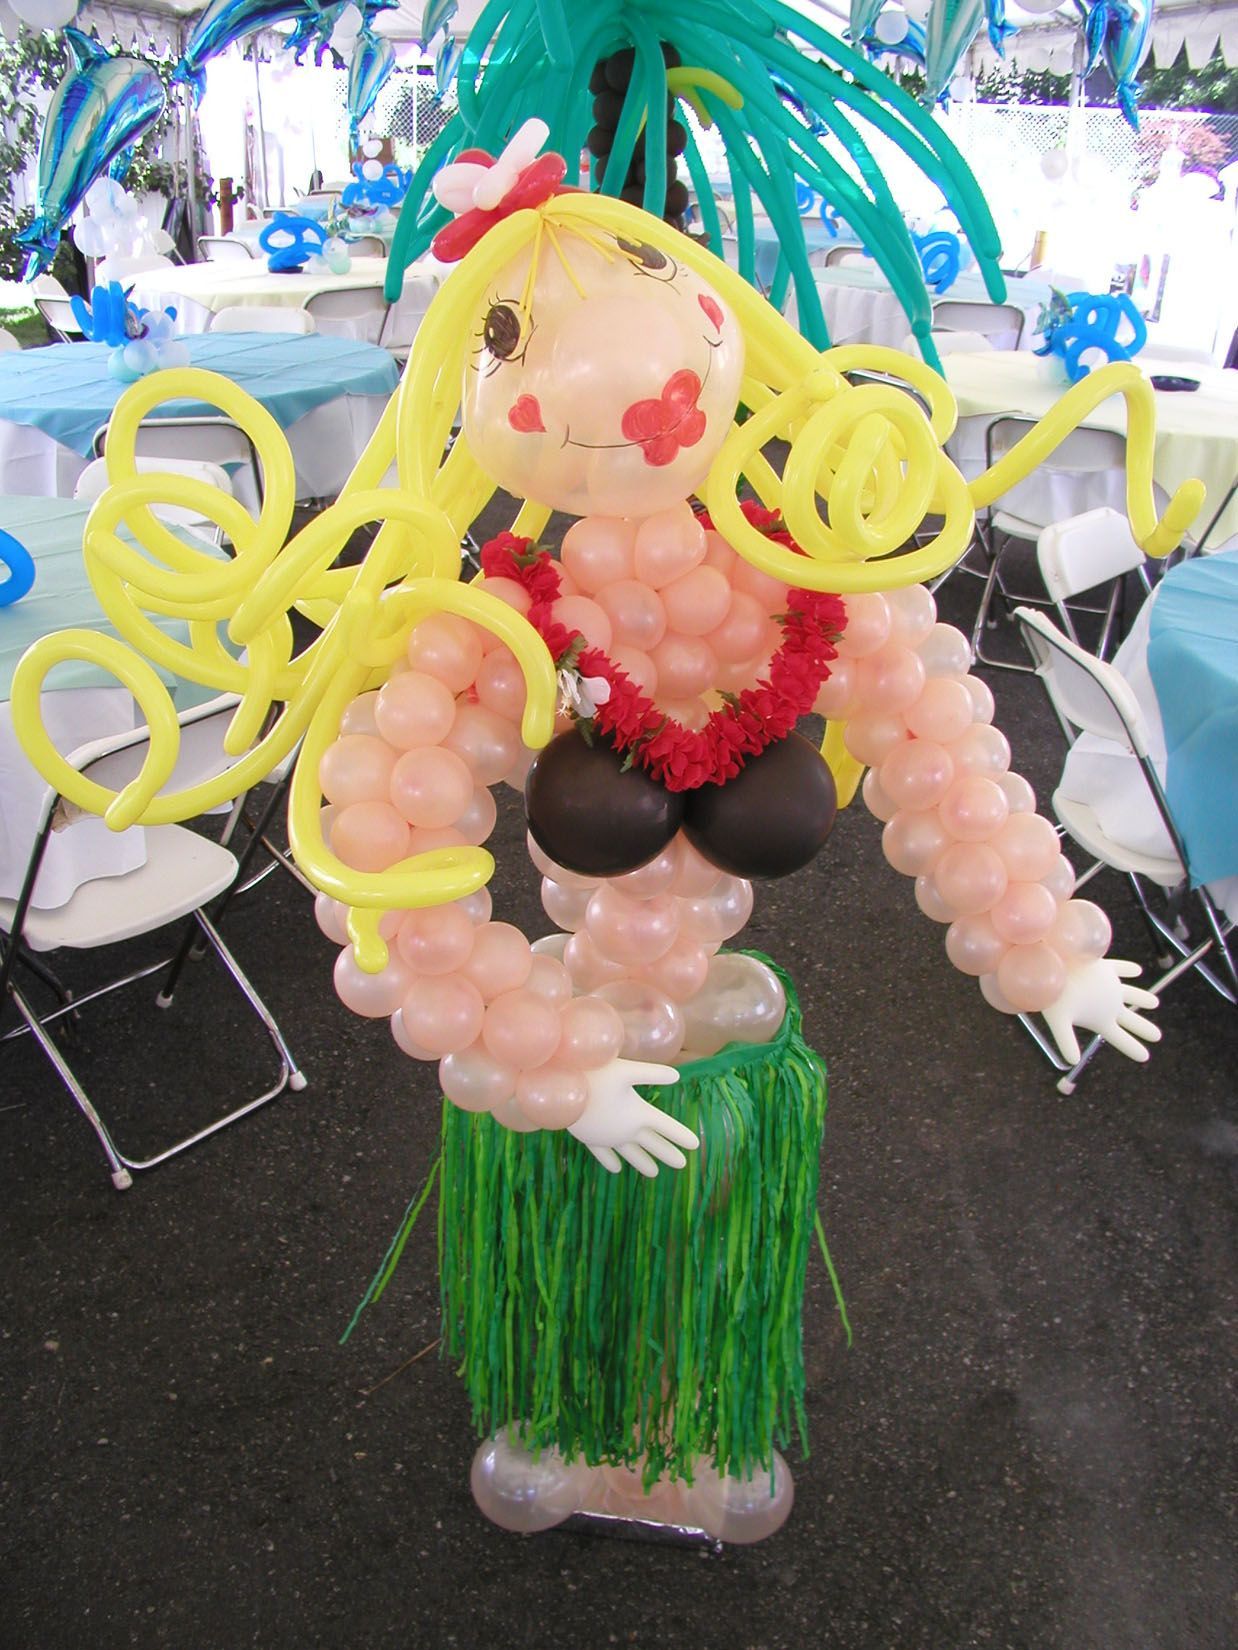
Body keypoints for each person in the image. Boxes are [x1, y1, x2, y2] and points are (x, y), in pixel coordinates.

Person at [11, 122, 1199, 1544]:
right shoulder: (493, 618)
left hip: (712, 1009)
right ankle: (578, 1424)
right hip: (574, 1024)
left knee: (703, 1261)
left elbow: (940, 749)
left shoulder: (799, 576)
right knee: (580, 1258)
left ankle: (681, 1426)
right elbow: (386, 860)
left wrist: (1038, 948)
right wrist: (543, 1056)